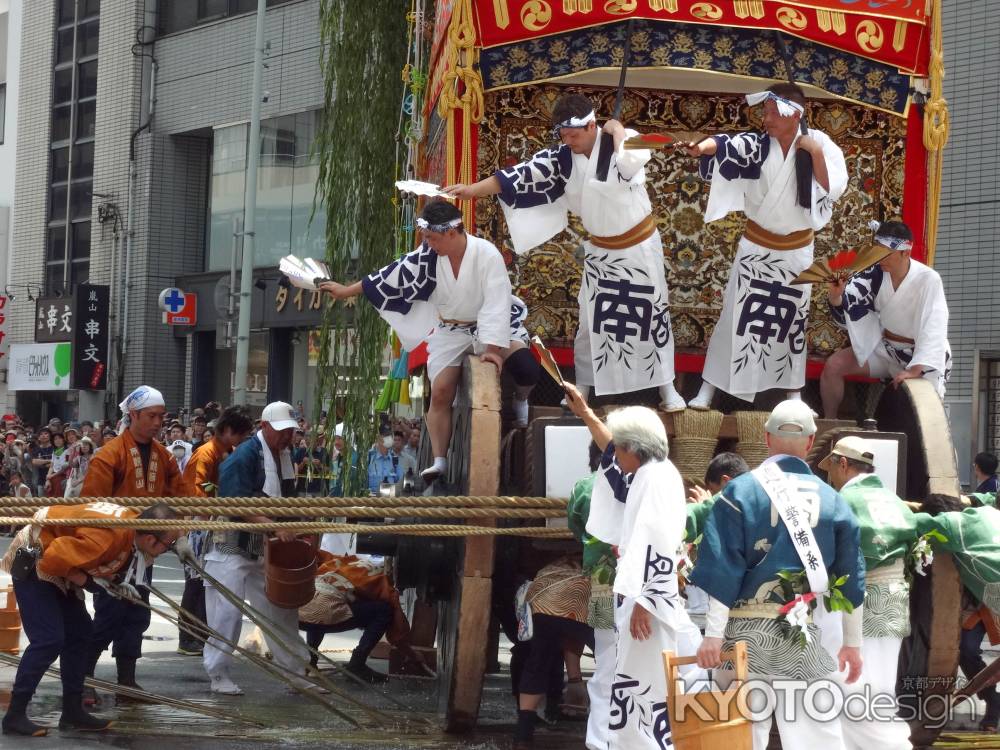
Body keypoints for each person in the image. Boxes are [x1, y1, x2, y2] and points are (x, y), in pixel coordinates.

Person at [445, 94, 685, 411]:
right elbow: (516, 177)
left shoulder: (619, 143)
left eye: (574, 134)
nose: (568, 140)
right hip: (601, 252)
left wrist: (619, 133)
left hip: (640, 247)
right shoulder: (562, 159)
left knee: (652, 315)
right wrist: (470, 190)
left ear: (591, 125)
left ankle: (667, 390)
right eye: (563, 135)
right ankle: (582, 390)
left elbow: (659, 143)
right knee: (590, 322)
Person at [320, 200, 539, 481]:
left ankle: (521, 400)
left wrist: (494, 350)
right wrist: (345, 291)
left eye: (432, 238)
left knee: (526, 368)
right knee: (440, 392)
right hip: (450, 330)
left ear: (452, 232)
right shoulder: (428, 257)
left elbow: (497, 303)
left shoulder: (486, 255)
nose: (428, 243)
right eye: (426, 238)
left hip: (492, 326)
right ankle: (440, 459)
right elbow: (387, 276)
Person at [690, 400, 865, 750]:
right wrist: (853, 644)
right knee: (814, 734)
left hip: (741, 637)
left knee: (739, 734)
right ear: (812, 441)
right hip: (801, 634)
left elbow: (724, 567)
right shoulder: (834, 501)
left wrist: (712, 635)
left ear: (766, 440)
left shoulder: (739, 492)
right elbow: (852, 579)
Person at [684, 84, 848, 410]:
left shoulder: (822, 145)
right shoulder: (759, 145)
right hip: (757, 248)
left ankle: (793, 394)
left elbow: (833, 188)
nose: (766, 117)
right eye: (766, 111)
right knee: (736, 316)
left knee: (791, 322)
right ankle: (709, 388)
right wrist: (703, 148)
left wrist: (813, 151)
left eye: (773, 111)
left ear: (794, 115)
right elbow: (727, 144)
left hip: (797, 252)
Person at [563, 383, 703, 749]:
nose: (614, 455)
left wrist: (644, 602)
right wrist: (587, 415)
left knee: (642, 684)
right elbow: (612, 452)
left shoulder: (654, 479)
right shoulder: (650, 473)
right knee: (633, 681)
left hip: (647, 599)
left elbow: (659, 542)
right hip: (641, 595)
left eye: (620, 448)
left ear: (633, 449)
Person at [0, 501, 180, 736]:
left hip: (59, 557)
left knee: (81, 632)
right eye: (170, 545)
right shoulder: (109, 538)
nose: (170, 549)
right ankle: (14, 714)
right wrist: (91, 583)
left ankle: (73, 711)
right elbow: (53, 559)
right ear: (150, 541)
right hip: (36, 556)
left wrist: (110, 582)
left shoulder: (138, 521)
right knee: (49, 639)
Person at [79, 386, 192, 706]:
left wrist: (177, 534)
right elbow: (92, 506)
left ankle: (126, 682)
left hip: (146, 551)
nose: (158, 423)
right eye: (151, 416)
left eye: (161, 417)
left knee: (136, 616)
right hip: (114, 551)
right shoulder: (109, 455)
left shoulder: (164, 456)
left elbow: (178, 499)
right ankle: (83, 678)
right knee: (108, 616)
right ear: (134, 416)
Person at [200, 401, 312, 695]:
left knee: (281, 608)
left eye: (291, 431)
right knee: (226, 612)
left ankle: (296, 672)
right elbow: (235, 503)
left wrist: (297, 525)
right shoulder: (244, 457)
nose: (288, 437)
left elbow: (287, 503)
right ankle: (218, 673)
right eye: (282, 431)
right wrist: (276, 526)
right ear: (264, 427)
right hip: (231, 544)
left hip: (265, 546)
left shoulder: (285, 456)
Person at [819, 435, 916, 750]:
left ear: (843, 464)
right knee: (878, 687)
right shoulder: (894, 500)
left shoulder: (843, 501)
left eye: (831, 469)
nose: (829, 477)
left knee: (853, 689)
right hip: (895, 599)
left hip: (859, 600)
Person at [821, 219, 951, 417]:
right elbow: (850, 308)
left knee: (925, 414)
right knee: (834, 365)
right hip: (886, 349)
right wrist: (836, 295)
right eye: (877, 251)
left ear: (905, 253)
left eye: (886, 253)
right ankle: (829, 423)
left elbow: (934, 325)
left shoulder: (929, 279)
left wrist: (915, 369)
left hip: (921, 356)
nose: (879, 258)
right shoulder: (873, 275)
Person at [177, 405, 254, 657]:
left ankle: (201, 634)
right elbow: (196, 492)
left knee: (208, 582)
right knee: (196, 583)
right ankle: (187, 636)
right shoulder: (205, 453)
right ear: (228, 430)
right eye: (242, 434)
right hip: (201, 523)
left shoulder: (229, 452)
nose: (244, 440)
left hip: (218, 521)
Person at [298, 550, 425, 683]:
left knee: (323, 603)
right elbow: (398, 633)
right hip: (325, 612)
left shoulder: (336, 561)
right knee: (384, 610)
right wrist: (412, 654)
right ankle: (357, 664)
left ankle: (310, 660)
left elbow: (312, 552)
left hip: (300, 612)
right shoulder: (381, 579)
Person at [511, 557, 594, 749]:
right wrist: (575, 679)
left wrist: (575, 680)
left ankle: (523, 736)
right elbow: (573, 631)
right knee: (611, 662)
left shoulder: (548, 568)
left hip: (542, 601)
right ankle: (614, 729)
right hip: (582, 595)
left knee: (537, 662)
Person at [565, 441, 617, 750]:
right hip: (648, 589)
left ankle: (601, 740)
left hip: (603, 584)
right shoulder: (646, 482)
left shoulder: (584, 487)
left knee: (607, 663)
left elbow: (576, 524)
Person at [29, 428, 53, 496]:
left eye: (46, 433)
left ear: (50, 436)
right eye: (41, 434)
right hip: (41, 480)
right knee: (41, 503)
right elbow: (34, 461)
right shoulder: (36, 449)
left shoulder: (55, 447)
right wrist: (50, 461)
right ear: (38, 438)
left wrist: (42, 462)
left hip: (54, 478)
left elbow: (57, 463)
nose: (43, 436)